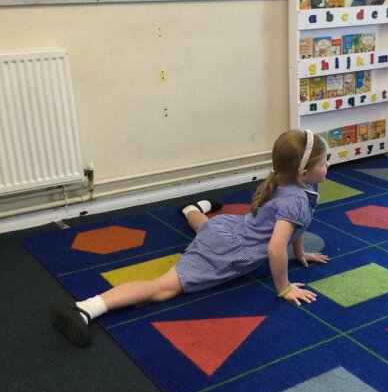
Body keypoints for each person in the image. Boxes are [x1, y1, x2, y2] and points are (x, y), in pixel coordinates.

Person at [51, 129, 330, 347]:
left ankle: (191, 208)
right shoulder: (296, 198)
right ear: (303, 173)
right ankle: (84, 308)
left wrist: (300, 253)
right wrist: (284, 288)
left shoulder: (300, 183)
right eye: (323, 162)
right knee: (162, 289)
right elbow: (275, 249)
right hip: (229, 250)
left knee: (207, 228)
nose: (327, 165)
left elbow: (297, 227)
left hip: (231, 230)